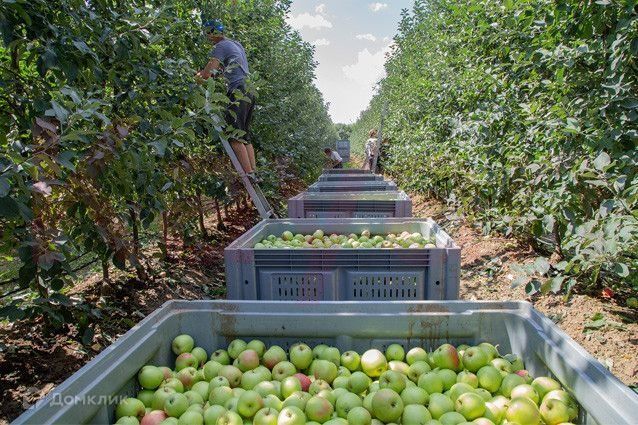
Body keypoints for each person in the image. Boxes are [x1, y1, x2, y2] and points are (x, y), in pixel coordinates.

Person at [196, 20, 258, 181]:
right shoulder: (235, 44)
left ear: (212, 32)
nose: (208, 37)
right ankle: (254, 172)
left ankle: (249, 175)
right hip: (249, 90)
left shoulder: (220, 47)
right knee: (244, 134)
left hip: (238, 90)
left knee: (234, 135)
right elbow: (224, 69)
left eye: (208, 33)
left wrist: (199, 77)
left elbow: (208, 72)